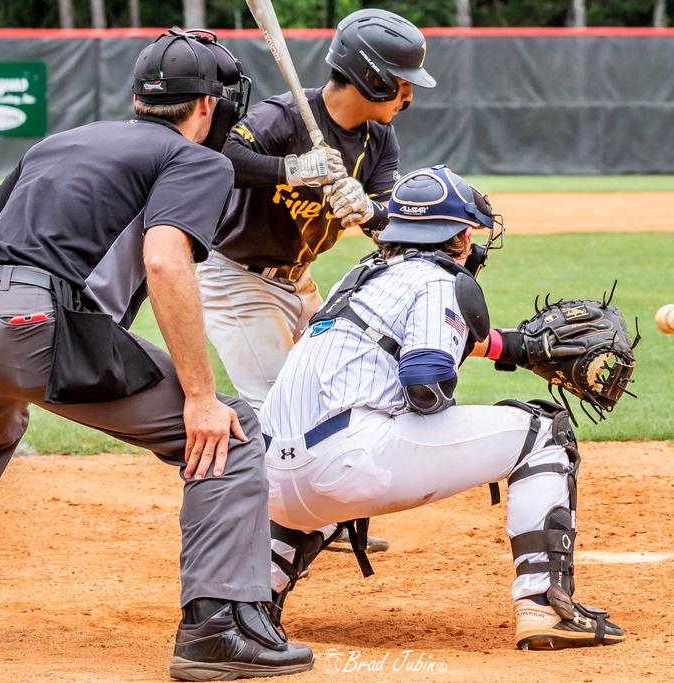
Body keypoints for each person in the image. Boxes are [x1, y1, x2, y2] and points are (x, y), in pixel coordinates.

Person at [0, 28, 313, 681]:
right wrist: (198, 398)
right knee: (233, 433)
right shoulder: (198, 159)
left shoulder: (64, 139)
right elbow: (165, 263)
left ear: (140, 96)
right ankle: (216, 629)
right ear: (209, 108)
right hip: (31, 320)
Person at [259, 166, 627, 650]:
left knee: (316, 461)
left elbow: (404, 342)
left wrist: (514, 349)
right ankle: (545, 606)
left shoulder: (360, 277)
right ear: (457, 235)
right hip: (352, 464)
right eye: (469, 232)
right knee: (541, 430)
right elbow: (426, 383)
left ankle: (253, 600)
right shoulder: (439, 280)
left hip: (272, 483)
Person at [198, 8, 436, 555]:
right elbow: (222, 156)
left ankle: (324, 513)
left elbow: (393, 218)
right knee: (276, 407)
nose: (408, 97)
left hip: (300, 281)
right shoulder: (283, 117)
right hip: (239, 277)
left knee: (336, 389)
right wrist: (293, 170)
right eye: (402, 84)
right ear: (373, 77)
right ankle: (256, 534)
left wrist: (370, 211)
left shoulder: (379, 139)